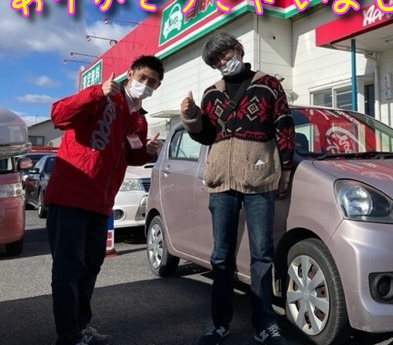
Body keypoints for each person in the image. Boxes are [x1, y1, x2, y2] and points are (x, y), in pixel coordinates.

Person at [180, 31, 294, 345]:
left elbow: (284, 127)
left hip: (259, 178)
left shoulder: (269, 84)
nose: (223, 62)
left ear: (238, 49)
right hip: (221, 181)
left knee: (262, 254)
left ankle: (265, 324)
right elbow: (206, 136)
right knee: (221, 256)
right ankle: (219, 324)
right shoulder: (211, 93)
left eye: (225, 55)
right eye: (216, 61)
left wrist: (285, 168)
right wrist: (191, 116)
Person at [45, 55, 164, 345]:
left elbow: (129, 156)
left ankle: (81, 327)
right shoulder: (104, 96)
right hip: (71, 197)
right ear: (130, 73)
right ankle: (68, 337)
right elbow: (58, 115)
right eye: (143, 78)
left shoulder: (139, 119)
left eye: (153, 82)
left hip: (101, 203)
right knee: (68, 270)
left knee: (90, 268)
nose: (146, 85)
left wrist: (147, 151)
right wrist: (97, 92)